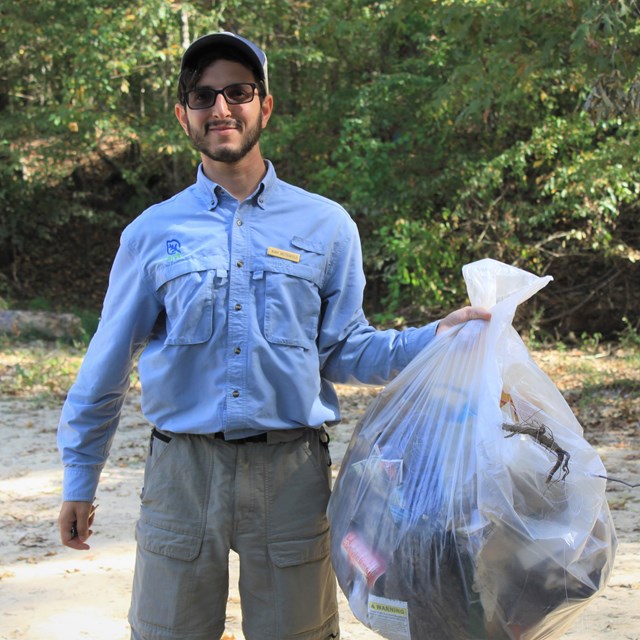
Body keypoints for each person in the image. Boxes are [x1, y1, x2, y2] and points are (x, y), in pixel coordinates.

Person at [57, 31, 490, 640]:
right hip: (183, 475)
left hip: (291, 475)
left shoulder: (327, 225)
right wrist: (81, 477)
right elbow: (106, 365)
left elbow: (345, 350)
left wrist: (436, 338)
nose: (221, 108)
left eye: (239, 91)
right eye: (203, 96)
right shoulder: (151, 234)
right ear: (184, 115)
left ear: (266, 105)